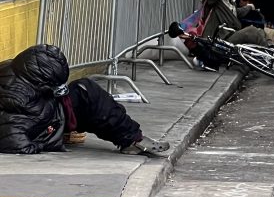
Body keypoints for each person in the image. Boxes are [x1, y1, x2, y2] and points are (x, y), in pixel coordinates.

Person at [0, 44, 169, 155]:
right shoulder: (16, 98)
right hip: (47, 121)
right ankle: (132, 138)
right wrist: (50, 135)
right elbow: (14, 140)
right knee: (86, 94)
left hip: (47, 110)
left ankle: (132, 137)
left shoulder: (20, 72)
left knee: (85, 89)